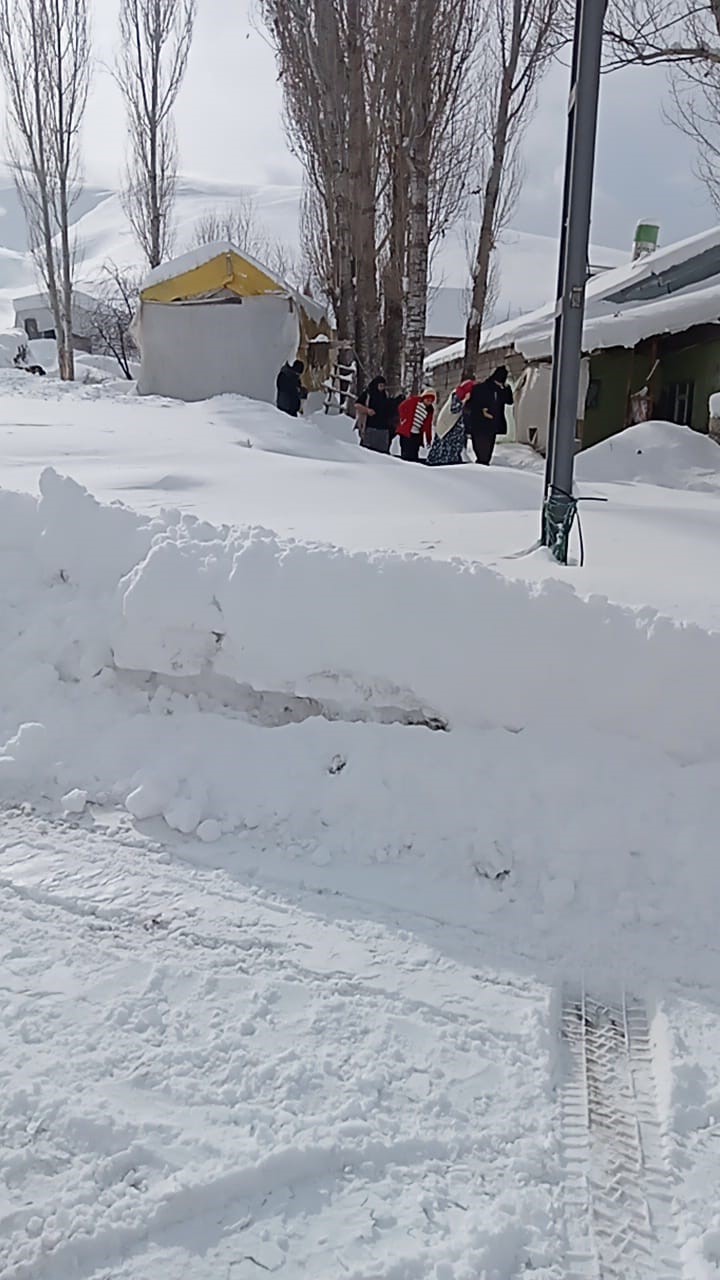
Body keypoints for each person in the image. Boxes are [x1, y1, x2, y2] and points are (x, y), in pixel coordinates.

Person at [467, 366, 513, 465]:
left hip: (492, 424)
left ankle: (483, 464)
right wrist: (483, 411)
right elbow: (473, 404)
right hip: (480, 423)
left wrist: (506, 388)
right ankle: (481, 465)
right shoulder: (482, 388)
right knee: (481, 449)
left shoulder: (501, 389)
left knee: (488, 449)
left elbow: (509, 401)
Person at [426, 379, 474, 466]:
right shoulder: (457, 395)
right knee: (446, 449)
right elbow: (455, 409)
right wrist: (465, 400)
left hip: (450, 426)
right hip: (448, 427)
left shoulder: (458, 393)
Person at [354, 375, 394, 453]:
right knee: (368, 450)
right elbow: (357, 404)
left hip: (383, 428)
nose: (382, 388)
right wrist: (367, 410)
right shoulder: (368, 393)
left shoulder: (385, 394)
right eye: (380, 385)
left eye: (383, 386)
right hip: (370, 426)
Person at [396, 388, 436, 461]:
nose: (428, 402)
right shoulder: (414, 401)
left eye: (431, 401)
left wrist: (428, 439)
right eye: (427, 399)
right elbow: (401, 407)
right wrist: (403, 418)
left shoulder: (430, 410)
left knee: (414, 454)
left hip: (417, 434)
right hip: (407, 432)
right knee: (406, 453)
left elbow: (428, 426)